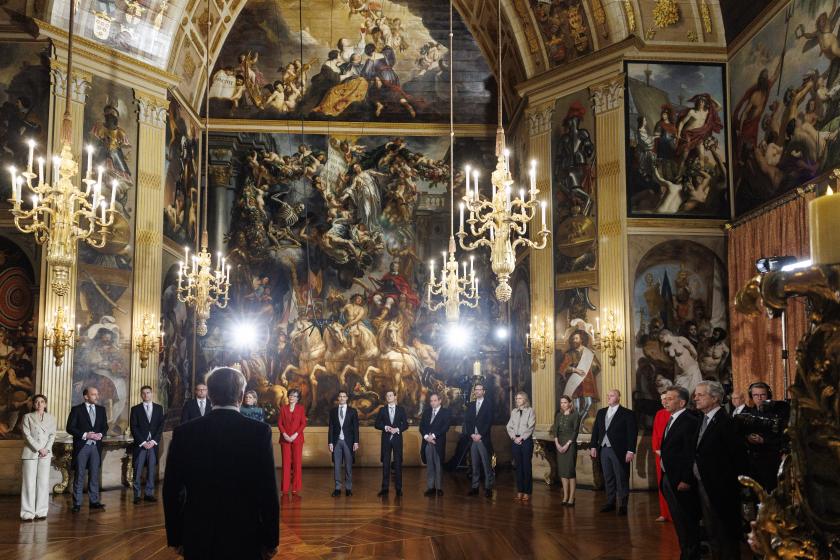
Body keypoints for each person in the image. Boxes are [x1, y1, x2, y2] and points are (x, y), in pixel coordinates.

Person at [163, 367, 279, 560]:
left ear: (210, 395)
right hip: (246, 534)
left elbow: (172, 490)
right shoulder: (259, 432)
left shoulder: (184, 432)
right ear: (241, 396)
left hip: (198, 533)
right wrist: (271, 539)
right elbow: (268, 491)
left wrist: (176, 537)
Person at [695, 380, 749, 560]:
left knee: (726, 532)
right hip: (704, 483)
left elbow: (738, 457)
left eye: (700, 395)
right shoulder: (702, 419)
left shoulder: (727, 422)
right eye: (695, 395)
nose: (696, 398)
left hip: (722, 487)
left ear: (715, 398)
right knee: (712, 532)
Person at [659, 386, 701, 560]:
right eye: (665, 398)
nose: (665, 401)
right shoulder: (673, 418)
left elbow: (691, 453)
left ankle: (691, 554)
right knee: (678, 519)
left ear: (682, 402)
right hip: (669, 476)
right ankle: (686, 551)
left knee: (686, 520)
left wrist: (686, 479)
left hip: (680, 480)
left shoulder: (689, 421)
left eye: (670, 399)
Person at [589, 389, 637, 515]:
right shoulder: (601, 412)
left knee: (621, 477)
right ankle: (610, 502)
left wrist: (631, 451)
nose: (609, 397)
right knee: (608, 477)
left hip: (620, 450)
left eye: (612, 395)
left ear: (618, 397)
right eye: (608, 396)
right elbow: (595, 431)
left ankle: (623, 505)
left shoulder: (627, 414)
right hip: (603, 449)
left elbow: (632, 434)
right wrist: (593, 446)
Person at [66, 386, 108, 513]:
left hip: (96, 447)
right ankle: (77, 504)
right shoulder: (77, 410)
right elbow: (70, 428)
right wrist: (85, 435)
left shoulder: (101, 410)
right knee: (79, 475)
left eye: (97, 394)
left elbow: (105, 426)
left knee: (94, 475)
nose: (97, 396)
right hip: (82, 447)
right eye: (94, 394)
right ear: (86, 396)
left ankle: (94, 501)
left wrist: (100, 434)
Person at [20, 394, 55, 521]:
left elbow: (52, 435)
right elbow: (26, 435)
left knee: (43, 483)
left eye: (42, 402)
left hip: (46, 453)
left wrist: (46, 449)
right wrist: (39, 448)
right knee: (29, 483)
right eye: (36, 402)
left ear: (45, 404)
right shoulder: (27, 417)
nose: (39, 404)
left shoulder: (51, 418)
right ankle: (27, 512)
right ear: (33, 404)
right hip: (31, 453)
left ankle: (41, 511)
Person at [129, 385, 164, 504]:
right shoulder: (135, 409)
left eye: (148, 392)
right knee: (138, 470)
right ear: (141, 395)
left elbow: (160, 426)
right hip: (141, 445)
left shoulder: (159, 408)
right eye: (143, 393)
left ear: (151, 393)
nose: (146, 395)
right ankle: (137, 495)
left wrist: (153, 441)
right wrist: (143, 442)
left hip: (153, 445)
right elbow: (134, 427)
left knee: (151, 470)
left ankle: (149, 493)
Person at [374, 389, 409, 497]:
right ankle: (385, 488)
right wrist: (385, 427)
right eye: (387, 396)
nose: (389, 397)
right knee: (386, 465)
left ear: (395, 397)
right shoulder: (382, 410)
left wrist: (397, 429)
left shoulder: (401, 410)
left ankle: (398, 489)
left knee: (398, 464)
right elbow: (376, 424)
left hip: (397, 440)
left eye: (390, 395)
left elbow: (406, 425)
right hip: (386, 440)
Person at [464, 383, 495, 498]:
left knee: (486, 465)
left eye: (479, 389)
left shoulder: (488, 404)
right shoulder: (471, 405)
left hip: (483, 439)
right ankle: (475, 487)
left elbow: (489, 421)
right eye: (475, 389)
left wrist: (480, 435)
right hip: (473, 439)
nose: (477, 391)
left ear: (483, 391)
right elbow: (467, 421)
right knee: (474, 465)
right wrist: (472, 434)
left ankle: (488, 488)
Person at [328, 390, 359, 496]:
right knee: (337, 466)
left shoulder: (352, 411)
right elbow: (331, 427)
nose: (341, 398)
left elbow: (355, 428)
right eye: (340, 396)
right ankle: (337, 488)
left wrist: (356, 442)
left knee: (348, 466)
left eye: (343, 396)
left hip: (348, 442)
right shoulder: (333, 411)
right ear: (338, 398)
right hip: (336, 442)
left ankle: (348, 488)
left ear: (346, 398)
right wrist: (330, 442)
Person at [419, 392, 450, 496]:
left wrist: (433, 436)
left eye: (435, 400)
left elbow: (445, 427)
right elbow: (421, 427)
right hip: (427, 442)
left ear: (440, 401)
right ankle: (430, 487)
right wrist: (427, 437)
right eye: (431, 401)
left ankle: (439, 488)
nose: (432, 403)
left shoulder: (445, 412)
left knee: (438, 465)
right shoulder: (426, 412)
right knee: (430, 466)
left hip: (438, 442)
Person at [507, 391, 536, 502]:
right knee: (518, 466)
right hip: (515, 441)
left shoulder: (530, 411)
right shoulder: (514, 412)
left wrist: (522, 438)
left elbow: (531, 427)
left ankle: (527, 492)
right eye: (516, 398)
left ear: (525, 399)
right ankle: (520, 490)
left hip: (526, 441)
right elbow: (509, 426)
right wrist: (514, 437)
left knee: (526, 467)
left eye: (520, 398)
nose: (517, 400)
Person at [552, 395, 580, 506]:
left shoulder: (575, 415)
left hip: (570, 444)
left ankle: (572, 497)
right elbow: (555, 430)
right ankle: (565, 496)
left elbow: (575, 431)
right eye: (561, 403)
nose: (563, 404)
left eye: (565, 402)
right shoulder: (558, 415)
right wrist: (557, 443)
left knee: (570, 471)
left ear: (570, 403)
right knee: (563, 471)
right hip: (559, 443)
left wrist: (567, 444)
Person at [278, 389, 306, 496]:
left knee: (297, 463)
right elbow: (280, 423)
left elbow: (303, 424)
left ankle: (295, 487)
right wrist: (285, 434)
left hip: (297, 439)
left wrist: (295, 435)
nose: (291, 397)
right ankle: (285, 488)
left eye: (294, 396)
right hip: (285, 439)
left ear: (298, 398)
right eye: (290, 395)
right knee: (286, 464)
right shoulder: (283, 409)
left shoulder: (301, 409)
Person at [651, 391, 672, 522]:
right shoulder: (659, 413)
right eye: (661, 399)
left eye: (666, 399)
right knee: (662, 484)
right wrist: (656, 449)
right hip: (660, 454)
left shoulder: (676, 414)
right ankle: (664, 513)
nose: (663, 401)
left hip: (673, 454)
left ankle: (674, 514)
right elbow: (655, 433)